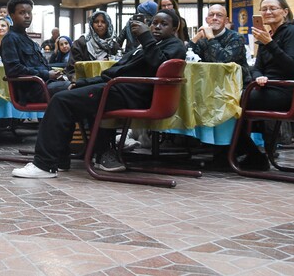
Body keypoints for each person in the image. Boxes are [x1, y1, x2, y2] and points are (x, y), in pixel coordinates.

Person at [12, 10, 187, 178]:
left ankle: (43, 165)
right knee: (65, 95)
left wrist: (145, 37)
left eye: (163, 24)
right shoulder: (142, 48)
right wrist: (80, 83)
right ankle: (60, 160)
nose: (156, 27)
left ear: (174, 29)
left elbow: (160, 64)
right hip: (117, 88)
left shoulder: (174, 45)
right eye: (154, 23)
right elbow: (112, 73)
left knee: (60, 100)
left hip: (129, 94)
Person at [234, 0, 294, 171]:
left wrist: (269, 44)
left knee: (226, 102)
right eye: (264, 9)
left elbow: (293, 67)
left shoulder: (293, 32)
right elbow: (257, 67)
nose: (268, 12)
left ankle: (248, 155)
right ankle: (247, 153)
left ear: (284, 11)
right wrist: (259, 76)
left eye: (273, 8)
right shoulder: (267, 35)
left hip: (286, 91)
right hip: (267, 88)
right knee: (226, 99)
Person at [0, 0, 70, 105]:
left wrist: (55, 73)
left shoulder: (28, 40)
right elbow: (14, 70)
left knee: (82, 86)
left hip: (45, 84)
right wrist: (47, 74)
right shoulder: (10, 39)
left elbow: (41, 65)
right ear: (12, 16)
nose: (27, 16)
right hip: (32, 90)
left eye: (29, 12)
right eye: (22, 13)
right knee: (77, 89)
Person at [187, 4, 251, 83]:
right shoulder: (202, 39)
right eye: (211, 15)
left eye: (219, 15)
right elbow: (186, 58)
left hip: (234, 83)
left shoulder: (236, 37)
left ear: (226, 20)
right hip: (209, 83)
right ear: (207, 20)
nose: (214, 18)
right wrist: (196, 37)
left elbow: (223, 62)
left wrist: (211, 38)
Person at [67, 11, 119, 80]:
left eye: (103, 22)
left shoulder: (113, 45)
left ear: (108, 25)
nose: (99, 24)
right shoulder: (80, 43)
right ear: (91, 24)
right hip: (83, 83)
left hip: (107, 82)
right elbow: (72, 69)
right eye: (96, 22)